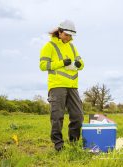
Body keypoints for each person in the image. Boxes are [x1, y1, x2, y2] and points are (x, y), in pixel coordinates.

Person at [39, 20, 84, 151]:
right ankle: (58, 145)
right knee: (57, 116)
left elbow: (81, 63)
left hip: (72, 86)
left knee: (78, 116)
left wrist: (79, 65)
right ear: (59, 32)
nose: (69, 38)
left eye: (70, 35)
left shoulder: (72, 47)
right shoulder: (49, 46)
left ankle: (74, 142)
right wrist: (61, 63)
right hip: (57, 85)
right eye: (66, 35)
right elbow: (43, 66)